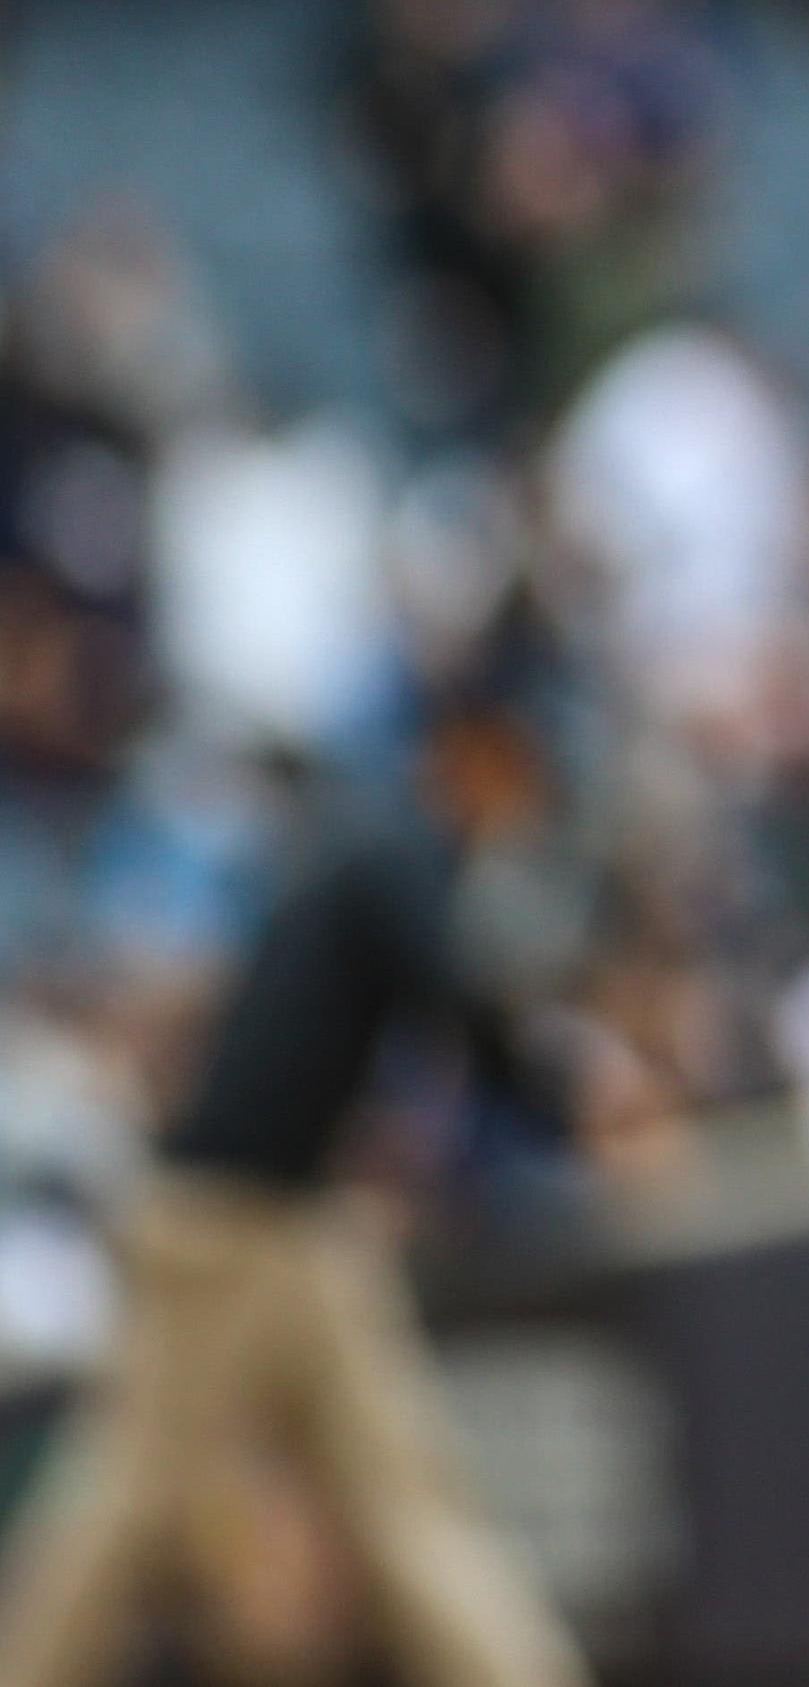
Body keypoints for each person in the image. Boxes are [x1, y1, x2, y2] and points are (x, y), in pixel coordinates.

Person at [0, 709, 592, 1687]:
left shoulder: (368, 855)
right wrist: (564, 1102)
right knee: (128, 1503)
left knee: (409, 1494)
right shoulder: (391, 853)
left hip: (295, 1224)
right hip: (220, 1225)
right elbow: (458, 998)